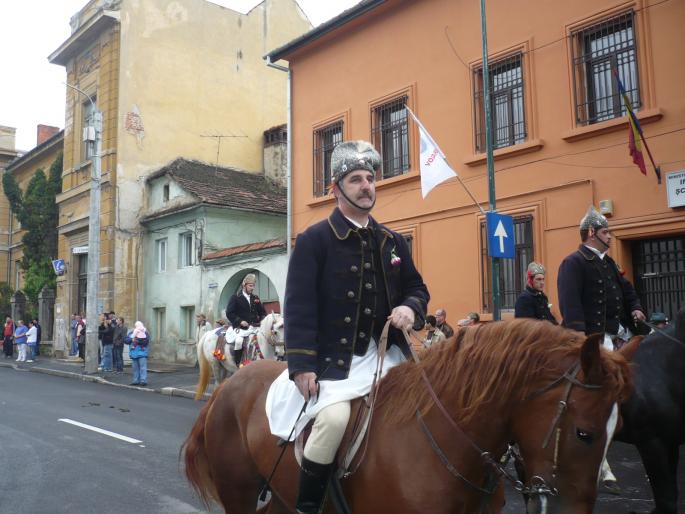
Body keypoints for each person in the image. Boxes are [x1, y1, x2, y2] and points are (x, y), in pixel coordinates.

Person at [265, 140, 429, 514]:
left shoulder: (392, 241)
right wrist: (302, 366)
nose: (367, 186)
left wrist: (409, 307)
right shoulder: (314, 241)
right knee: (333, 422)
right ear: (335, 189)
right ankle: (309, 506)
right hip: (334, 363)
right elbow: (299, 306)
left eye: (370, 178)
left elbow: (417, 288)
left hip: (388, 357)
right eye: (356, 179)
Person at [557, 205, 646, 492]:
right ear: (592, 232)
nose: (611, 236)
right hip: (592, 342)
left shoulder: (609, 264)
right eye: (606, 231)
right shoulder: (574, 262)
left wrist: (635, 309)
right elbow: (570, 304)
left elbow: (627, 290)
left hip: (615, 336)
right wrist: (584, 342)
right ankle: (595, 459)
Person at [225, 273, 266, 365]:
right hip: (241, 328)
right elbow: (229, 313)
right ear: (244, 285)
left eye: (253, 286)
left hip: (254, 328)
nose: (252, 288)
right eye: (250, 286)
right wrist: (240, 321)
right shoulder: (235, 297)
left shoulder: (255, 298)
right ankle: (238, 364)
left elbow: (262, 312)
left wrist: (263, 320)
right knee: (239, 342)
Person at [128, 321, 149, 386]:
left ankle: (143, 380)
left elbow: (146, 342)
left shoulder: (145, 332)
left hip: (142, 353)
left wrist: (137, 340)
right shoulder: (131, 332)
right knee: (135, 368)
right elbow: (126, 340)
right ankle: (136, 380)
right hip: (134, 353)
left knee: (142, 367)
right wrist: (132, 340)